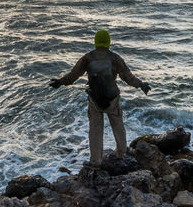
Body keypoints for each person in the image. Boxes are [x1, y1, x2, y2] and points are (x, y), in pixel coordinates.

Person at [48, 29, 150, 165]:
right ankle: (121, 154)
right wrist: (141, 85)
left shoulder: (87, 58)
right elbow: (128, 77)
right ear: (108, 42)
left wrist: (59, 82)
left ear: (95, 42)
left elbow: (73, 76)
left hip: (94, 100)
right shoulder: (115, 58)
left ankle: (96, 161)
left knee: (95, 130)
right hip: (112, 98)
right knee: (118, 126)